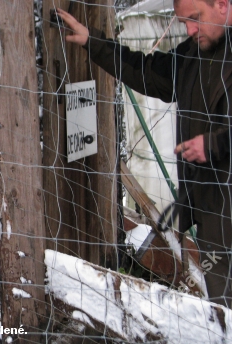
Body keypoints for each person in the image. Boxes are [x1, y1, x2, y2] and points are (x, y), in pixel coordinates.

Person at [57, 0, 232, 307]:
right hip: (213, 212)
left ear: (222, 4)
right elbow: (148, 71)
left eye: (195, 19)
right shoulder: (195, 55)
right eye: (184, 23)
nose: (190, 30)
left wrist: (215, 144)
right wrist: (93, 42)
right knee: (224, 303)